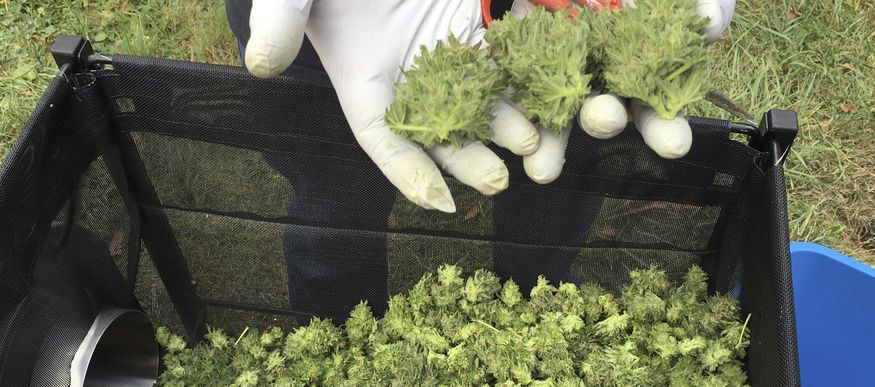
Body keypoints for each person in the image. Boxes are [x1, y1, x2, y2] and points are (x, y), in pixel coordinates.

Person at [224, 0, 734, 321]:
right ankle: (332, 331)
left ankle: (539, 303)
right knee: (333, 188)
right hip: (345, 23)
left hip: (547, 21)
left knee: (554, 160)